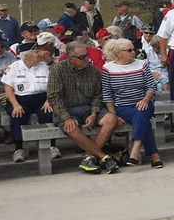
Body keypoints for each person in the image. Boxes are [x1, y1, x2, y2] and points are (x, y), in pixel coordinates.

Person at [47, 42, 121, 174]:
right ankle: (102, 157)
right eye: (82, 57)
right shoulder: (57, 70)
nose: (86, 59)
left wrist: (93, 113)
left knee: (111, 119)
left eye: (86, 55)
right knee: (70, 126)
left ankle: (90, 158)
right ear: (70, 59)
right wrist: (66, 117)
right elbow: (54, 97)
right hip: (67, 109)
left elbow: (98, 94)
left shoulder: (93, 70)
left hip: (88, 108)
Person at [102, 38, 163, 169]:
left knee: (141, 111)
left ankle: (135, 149)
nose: (133, 52)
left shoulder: (141, 64)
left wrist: (145, 99)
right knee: (141, 117)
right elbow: (107, 94)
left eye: (133, 49)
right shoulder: (108, 68)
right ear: (119, 53)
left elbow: (151, 86)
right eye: (129, 50)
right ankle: (154, 155)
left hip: (144, 103)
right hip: (122, 107)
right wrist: (113, 114)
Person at [1, 48, 58, 163]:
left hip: (42, 98)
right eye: (36, 52)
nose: (40, 54)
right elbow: (8, 89)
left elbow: (53, 85)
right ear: (27, 56)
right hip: (20, 99)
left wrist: (49, 100)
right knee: (16, 115)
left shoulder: (43, 66)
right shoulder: (14, 67)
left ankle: (52, 146)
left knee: (47, 112)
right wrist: (15, 105)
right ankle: (18, 149)